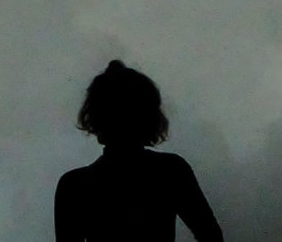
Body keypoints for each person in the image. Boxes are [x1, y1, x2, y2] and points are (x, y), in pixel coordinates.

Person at [55, 61, 224, 242]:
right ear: (150, 117)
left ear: (95, 118)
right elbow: (211, 235)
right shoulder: (172, 171)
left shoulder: (74, 185)